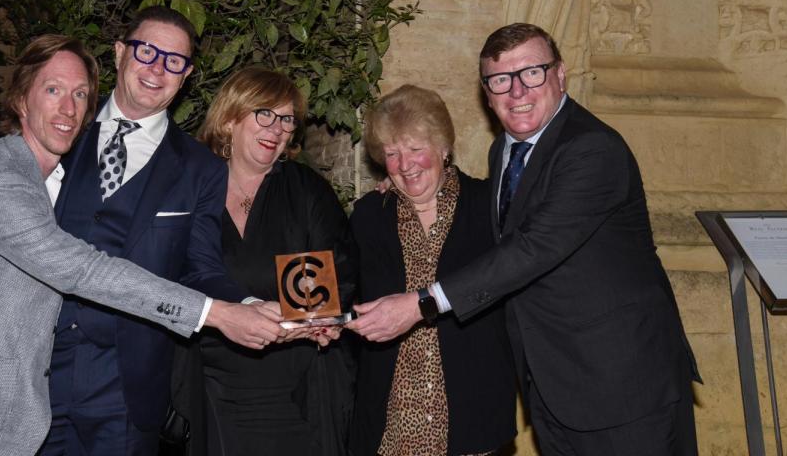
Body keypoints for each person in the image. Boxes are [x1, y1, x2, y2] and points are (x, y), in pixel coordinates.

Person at [0, 35, 282, 456]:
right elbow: (81, 269)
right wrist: (217, 314)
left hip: (4, 409)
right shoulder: (2, 178)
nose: (68, 108)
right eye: (52, 89)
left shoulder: (51, 167)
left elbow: (197, 261)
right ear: (20, 99)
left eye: (79, 94)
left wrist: (245, 303)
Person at [349, 23, 701, 455]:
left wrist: (421, 303)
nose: (516, 91)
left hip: (620, 383)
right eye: (500, 80)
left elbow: (533, 248)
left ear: (560, 74)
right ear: (486, 91)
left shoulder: (592, 149)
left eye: (531, 72)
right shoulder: (505, 153)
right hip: (552, 385)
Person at [172, 65, 354, 455]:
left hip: (294, 387)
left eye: (286, 119)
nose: (277, 129)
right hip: (209, 386)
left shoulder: (304, 190)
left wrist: (315, 320)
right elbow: (175, 275)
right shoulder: (189, 187)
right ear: (230, 118)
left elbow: (331, 277)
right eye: (264, 114)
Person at [346, 85, 516, 456]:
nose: (405, 165)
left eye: (416, 149)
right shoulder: (369, 216)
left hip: (472, 408)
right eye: (392, 154)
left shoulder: (490, 208)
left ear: (443, 148)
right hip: (389, 415)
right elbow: (348, 295)